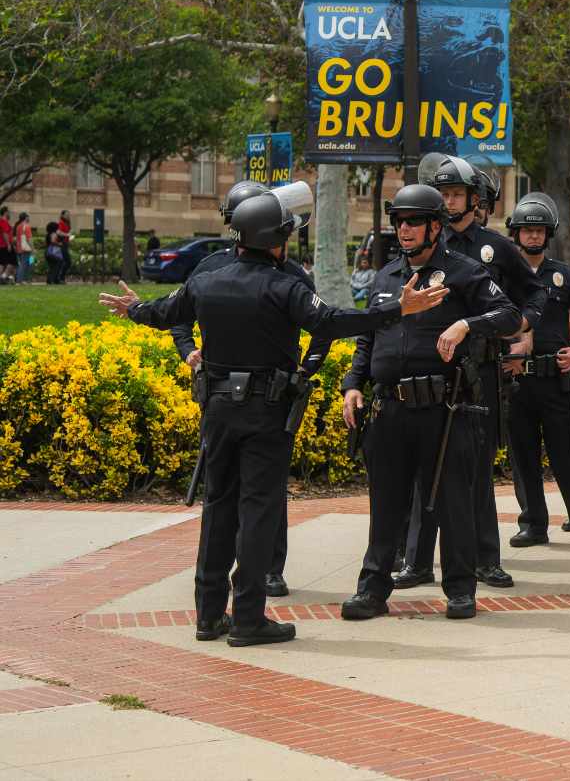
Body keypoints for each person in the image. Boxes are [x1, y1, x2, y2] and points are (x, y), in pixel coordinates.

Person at [99, 182, 449, 645]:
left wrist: (136, 310)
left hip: (218, 410)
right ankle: (247, 618)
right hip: (266, 413)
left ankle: (208, 615)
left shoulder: (206, 281)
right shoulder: (284, 286)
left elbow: (167, 312)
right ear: (275, 241)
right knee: (258, 512)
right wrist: (394, 309)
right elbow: (332, 321)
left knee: (218, 510)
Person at [338, 184, 522, 621]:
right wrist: (353, 383)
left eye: (414, 221)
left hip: (445, 409)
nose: (404, 229)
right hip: (390, 409)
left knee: (453, 502)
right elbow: (368, 336)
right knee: (386, 505)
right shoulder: (386, 276)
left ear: (435, 226)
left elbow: (510, 316)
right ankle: (372, 590)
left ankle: (460, 590)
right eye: (399, 221)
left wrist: (466, 324)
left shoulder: (463, 272)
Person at [168, 179, 332, 598]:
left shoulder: (292, 276)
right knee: (231, 495)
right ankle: (237, 597)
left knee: (264, 494)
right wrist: (189, 351)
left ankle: (265, 571)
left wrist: (306, 368)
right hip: (223, 393)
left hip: (272, 395)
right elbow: (178, 317)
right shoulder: (208, 271)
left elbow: (322, 329)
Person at [400, 154, 542, 591]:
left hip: (477, 373)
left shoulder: (495, 247)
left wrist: (525, 330)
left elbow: (532, 293)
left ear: (474, 199)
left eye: (456, 193)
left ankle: (485, 560)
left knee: (475, 472)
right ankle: (417, 561)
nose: (449, 200)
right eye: (443, 194)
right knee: (425, 474)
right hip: (426, 371)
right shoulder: (421, 246)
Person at [502, 192, 570, 549]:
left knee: (569, 455)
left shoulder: (563, 276)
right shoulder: (501, 276)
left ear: (549, 235)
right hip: (517, 380)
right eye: (527, 230)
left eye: (540, 230)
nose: (533, 236)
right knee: (524, 455)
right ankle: (532, 523)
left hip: (557, 378)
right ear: (515, 234)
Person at [14, 213, 33, 284]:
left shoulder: (18, 226)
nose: (29, 219)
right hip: (26, 249)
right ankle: (20, 281)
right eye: (28, 217)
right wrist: (33, 249)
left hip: (19, 249)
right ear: (25, 218)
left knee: (26, 264)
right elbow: (29, 239)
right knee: (26, 264)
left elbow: (17, 238)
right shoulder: (27, 226)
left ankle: (24, 280)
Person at [0, 207, 14, 284]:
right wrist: (8, 244)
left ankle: (3, 277)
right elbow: (5, 233)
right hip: (5, 245)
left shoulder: (2, 221)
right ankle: (3, 277)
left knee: (2, 263)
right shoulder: (3, 221)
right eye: (8, 212)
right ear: (5, 212)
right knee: (12, 261)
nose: (9, 213)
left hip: (2, 245)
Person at [56, 210, 71, 283]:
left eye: (68, 214)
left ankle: (61, 278)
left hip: (66, 244)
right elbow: (58, 232)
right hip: (62, 244)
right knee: (67, 261)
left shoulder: (67, 223)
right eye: (66, 214)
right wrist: (67, 235)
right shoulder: (61, 222)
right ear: (62, 215)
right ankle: (60, 278)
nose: (68, 216)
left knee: (66, 262)